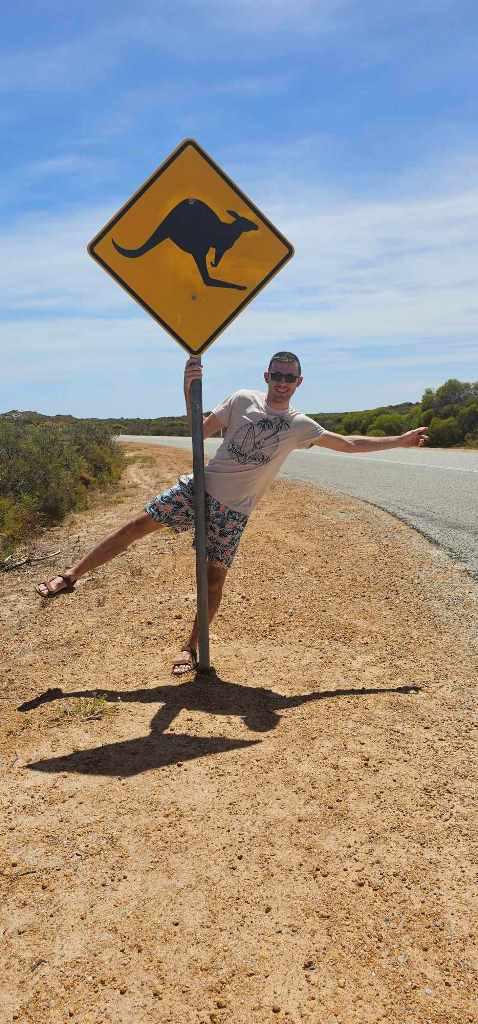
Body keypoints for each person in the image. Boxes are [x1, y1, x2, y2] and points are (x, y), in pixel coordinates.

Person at [36, 352, 428, 674]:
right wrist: (188, 386)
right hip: (199, 488)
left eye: (289, 377)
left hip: (233, 511)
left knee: (212, 581)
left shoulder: (299, 425)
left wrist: (401, 440)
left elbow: (349, 444)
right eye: (277, 375)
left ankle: (191, 648)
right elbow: (198, 430)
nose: (282, 382)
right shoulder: (242, 400)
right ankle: (69, 577)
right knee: (135, 527)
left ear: (299, 382)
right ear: (267, 376)